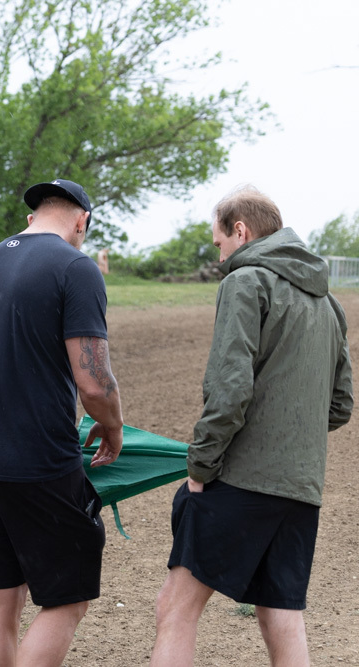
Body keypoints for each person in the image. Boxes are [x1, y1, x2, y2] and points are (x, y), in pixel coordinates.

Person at [150, 186, 353, 667]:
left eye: (219, 243)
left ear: (240, 230)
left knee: (175, 608)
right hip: (301, 488)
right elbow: (340, 405)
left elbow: (230, 390)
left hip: (241, 480)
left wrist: (200, 467)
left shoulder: (245, 282)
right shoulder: (329, 303)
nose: (219, 256)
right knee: (281, 615)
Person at [0, 178, 124, 666]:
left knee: (2, 597)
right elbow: (94, 383)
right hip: (39, 457)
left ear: (32, 218)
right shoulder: (77, 268)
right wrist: (113, 426)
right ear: (82, 221)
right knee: (67, 598)